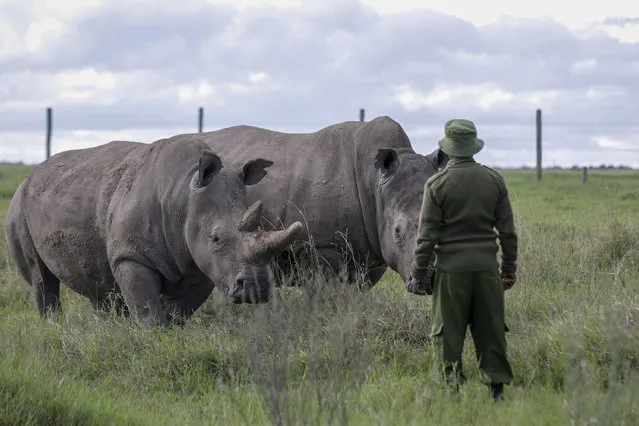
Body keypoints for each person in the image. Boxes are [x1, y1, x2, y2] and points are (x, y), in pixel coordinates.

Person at [406, 118, 518, 401]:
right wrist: (508, 269)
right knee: (491, 331)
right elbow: (508, 233)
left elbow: (427, 236)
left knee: (448, 335)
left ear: (449, 148)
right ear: (473, 147)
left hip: (450, 273)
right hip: (486, 271)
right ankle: (496, 393)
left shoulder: (436, 184)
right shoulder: (494, 181)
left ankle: (451, 393)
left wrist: (418, 274)